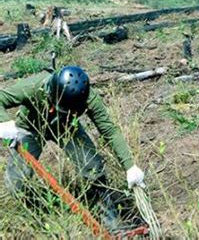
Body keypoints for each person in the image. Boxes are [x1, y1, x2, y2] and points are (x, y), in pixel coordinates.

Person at [0, 66, 145, 231]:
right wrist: (4, 123)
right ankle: (43, 219)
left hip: (66, 126)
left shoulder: (88, 97)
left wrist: (130, 166)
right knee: (16, 182)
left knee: (93, 168)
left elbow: (109, 131)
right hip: (32, 127)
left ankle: (110, 221)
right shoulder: (34, 86)